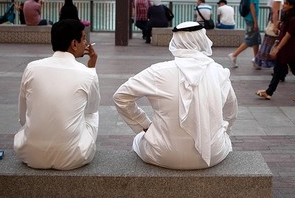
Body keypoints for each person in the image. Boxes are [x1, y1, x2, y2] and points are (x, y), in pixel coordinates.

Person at [113, 21, 238, 170]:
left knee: (138, 139)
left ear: (175, 41)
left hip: (163, 154)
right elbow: (231, 111)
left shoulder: (158, 72)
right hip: (213, 155)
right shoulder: (219, 72)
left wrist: (144, 125)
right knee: (222, 137)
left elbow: (121, 96)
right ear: (203, 39)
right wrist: (222, 132)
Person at [14, 19, 100, 170]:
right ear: (74, 44)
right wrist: (91, 67)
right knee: (93, 113)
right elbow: (91, 109)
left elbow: (22, 117)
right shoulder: (87, 74)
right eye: (84, 39)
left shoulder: (31, 68)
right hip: (73, 157)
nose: (86, 43)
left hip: (29, 154)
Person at [256, 0, 295, 101]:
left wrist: (277, 48)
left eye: (286, 4)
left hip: (289, 50)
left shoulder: (294, 19)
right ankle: (269, 92)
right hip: (285, 49)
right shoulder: (288, 17)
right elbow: (283, 32)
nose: (283, 5)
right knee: (278, 71)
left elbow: (288, 36)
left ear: (291, 6)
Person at [228, 0, 263, 68]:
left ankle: (256, 60)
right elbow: (252, 6)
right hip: (251, 18)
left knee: (255, 40)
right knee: (250, 39)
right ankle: (234, 55)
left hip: (247, 17)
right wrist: (255, 21)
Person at [254, 0, 284, 69]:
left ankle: (259, 60)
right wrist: (276, 26)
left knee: (268, 43)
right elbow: (275, 12)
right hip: (276, 23)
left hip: (271, 21)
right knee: (272, 44)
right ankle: (264, 61)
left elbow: (272, 12)